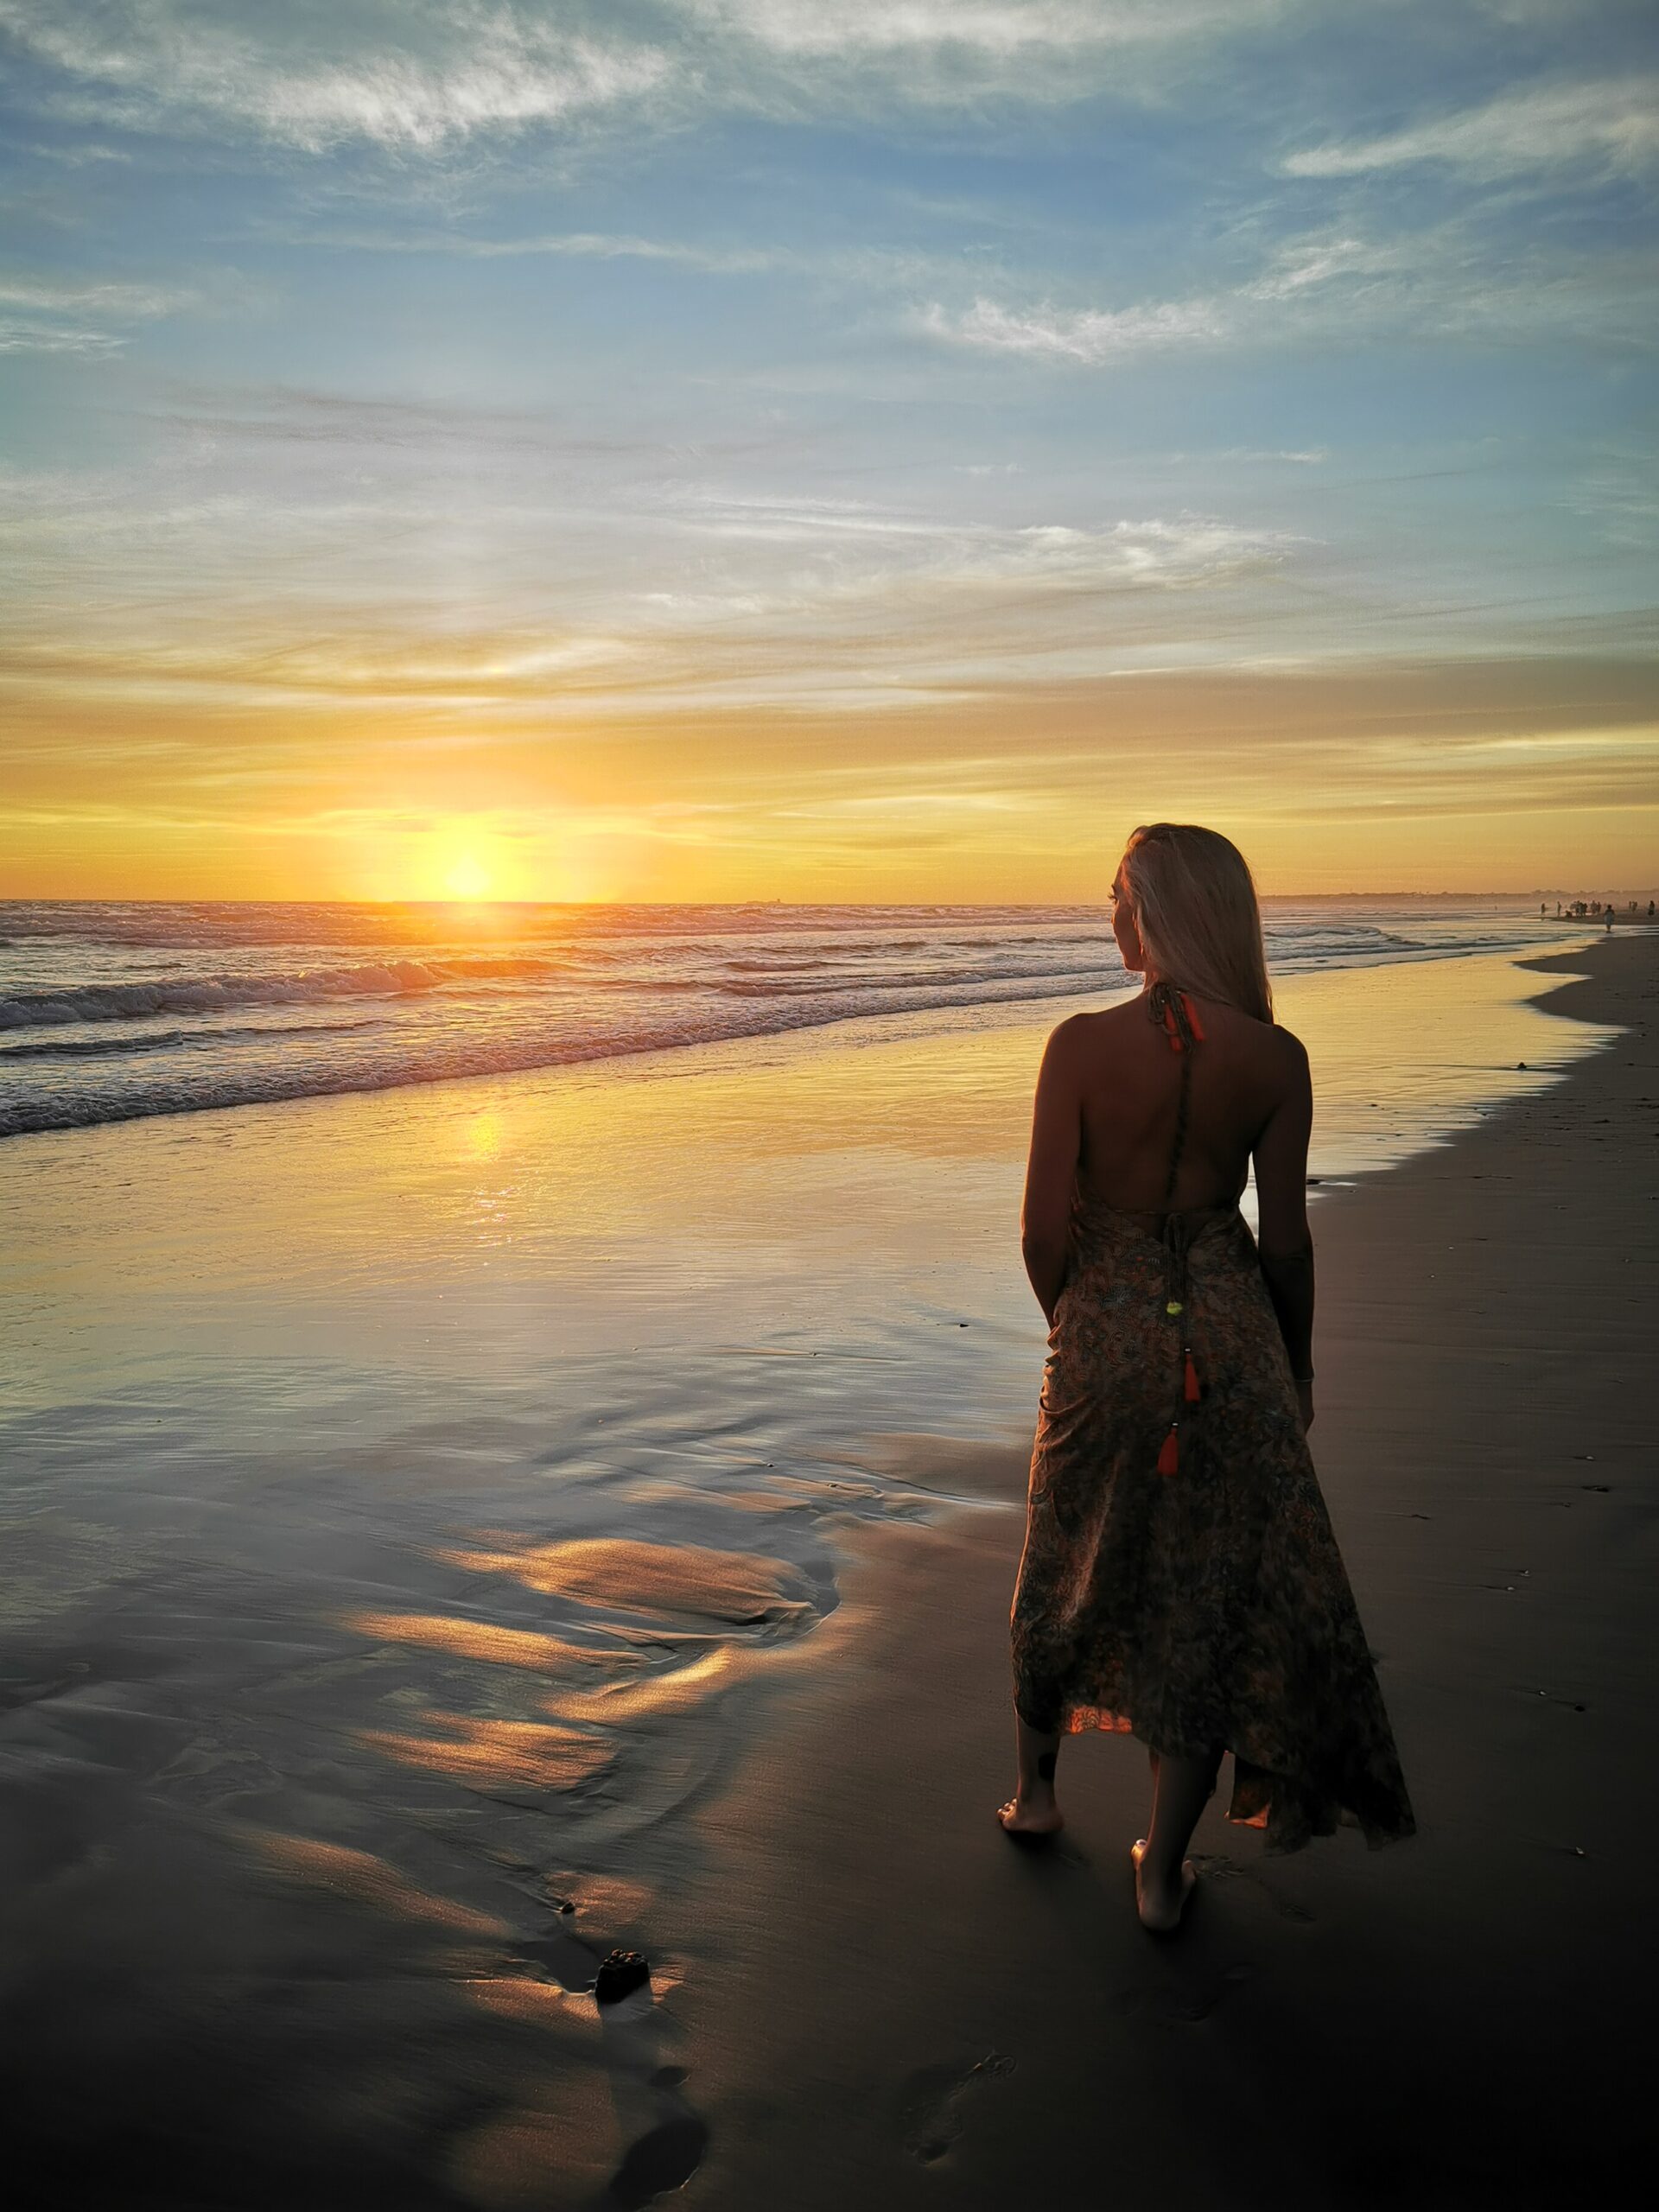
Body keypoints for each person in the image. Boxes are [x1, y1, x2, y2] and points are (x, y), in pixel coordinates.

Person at [1001, 823, 1414, 1930]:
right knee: (1200, 1597)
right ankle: (1158, 1871)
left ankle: (1038, 1797)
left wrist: (1083, 1322)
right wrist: (1298, 1360)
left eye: (1121, 896)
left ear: (1160, 910)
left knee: (1065, 1558)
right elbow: (1285, 1241)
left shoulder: (1078, 1046)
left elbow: (1043, 1229)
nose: (1111, 916)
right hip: (1231, 1339)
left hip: (1105, 1334)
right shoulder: (1277, 1061)